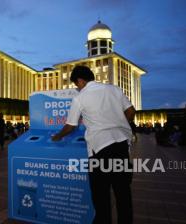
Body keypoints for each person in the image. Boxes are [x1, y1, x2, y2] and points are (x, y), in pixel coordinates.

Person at [52, 65, 135, 224]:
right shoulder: (114, 89)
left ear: (80, 81)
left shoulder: (81, 97)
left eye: (76, 84)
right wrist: (119, 122)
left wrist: (57, 136)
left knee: (101, 196)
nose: (77, 88)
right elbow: (131, 112)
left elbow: (70, 126)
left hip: (100, 150)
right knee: (123, 194)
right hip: (121, 146)